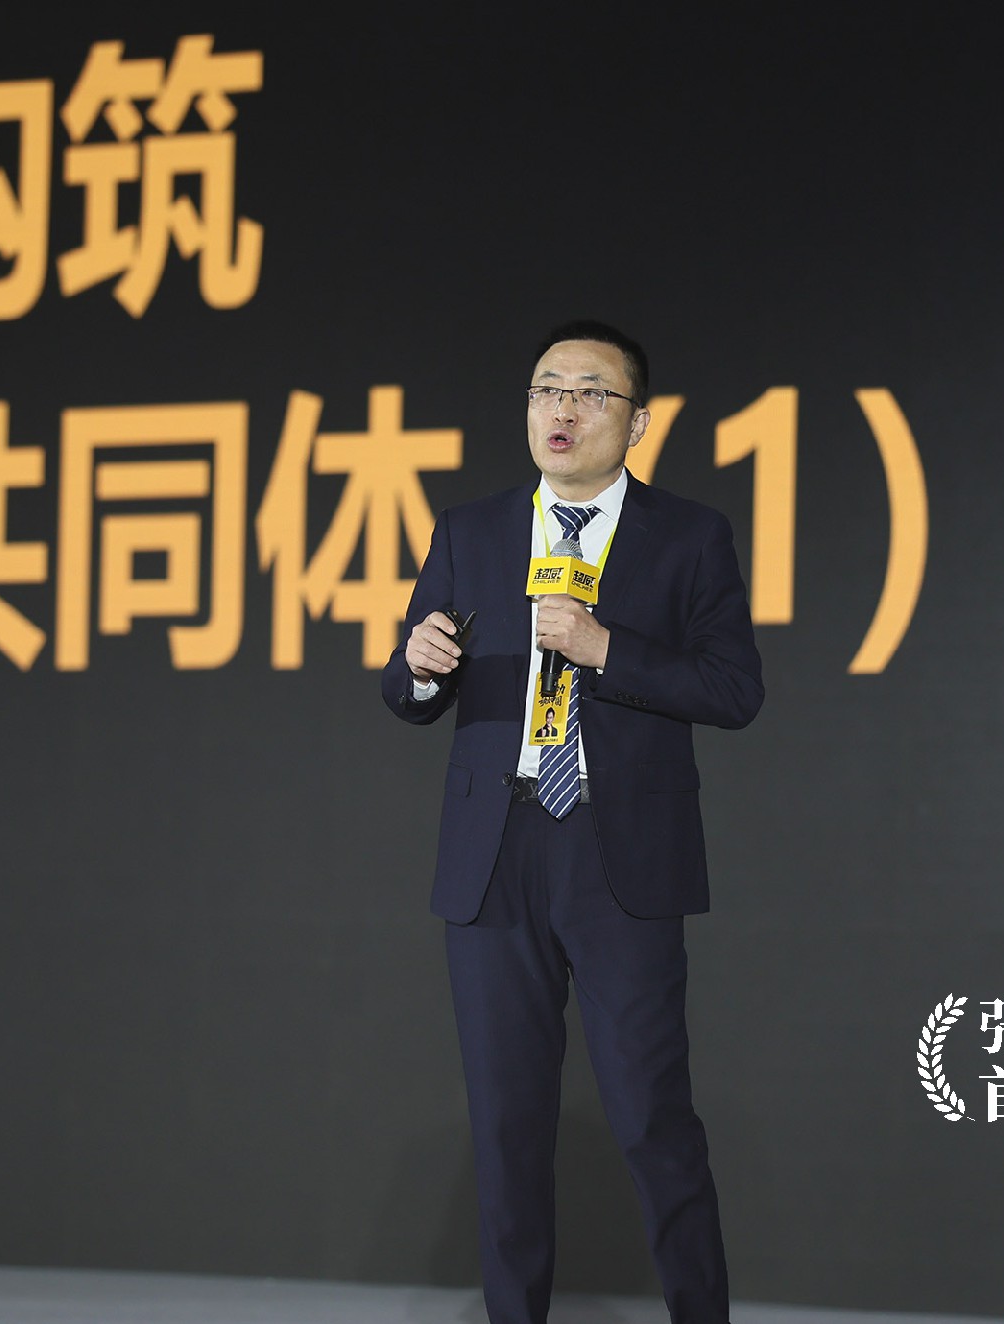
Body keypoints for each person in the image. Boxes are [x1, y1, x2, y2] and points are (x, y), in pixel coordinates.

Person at [381, 321, 763, 1324]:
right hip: (495, 853)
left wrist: (607, 649)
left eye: (591, 391)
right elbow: (408, 687)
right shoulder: (471, 531)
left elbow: (734, 689)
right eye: (546, 388)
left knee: (651, 1117)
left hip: (615, 853)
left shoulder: (689, 537)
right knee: (507, 1126)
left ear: (636, 422)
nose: (562, 408)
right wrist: (417, 667)